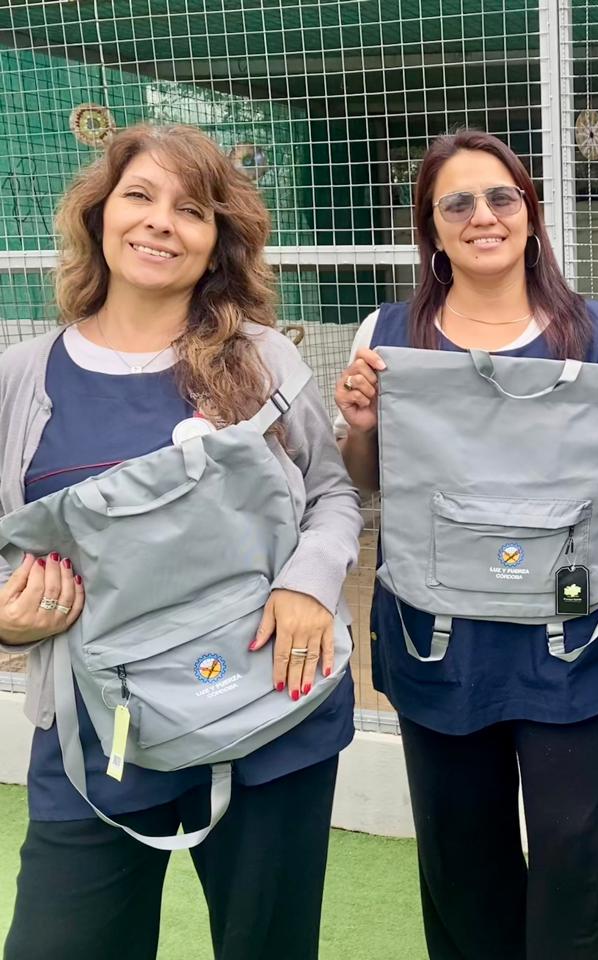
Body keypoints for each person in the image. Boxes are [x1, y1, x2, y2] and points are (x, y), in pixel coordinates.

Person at [0, 124, 362, 960]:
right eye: (140, 197)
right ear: (99, 216)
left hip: (270, 708)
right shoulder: (23, 378)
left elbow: (332, 494)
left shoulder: (262, 360)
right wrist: (8, 619)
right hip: (101, 736)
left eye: (191, 209)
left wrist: (308, 582)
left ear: (215, 242)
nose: (161, 222)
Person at [334, 129, 598, 960]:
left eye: (501, 197)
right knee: (462, 853)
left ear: (530, 212)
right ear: (431, 226)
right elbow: (368, 478)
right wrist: (361, 426)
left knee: (575, 847)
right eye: (456, 202)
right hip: (438, 635)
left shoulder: (594, 332)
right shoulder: (389, 334)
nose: (482, 216)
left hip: (566, 634)